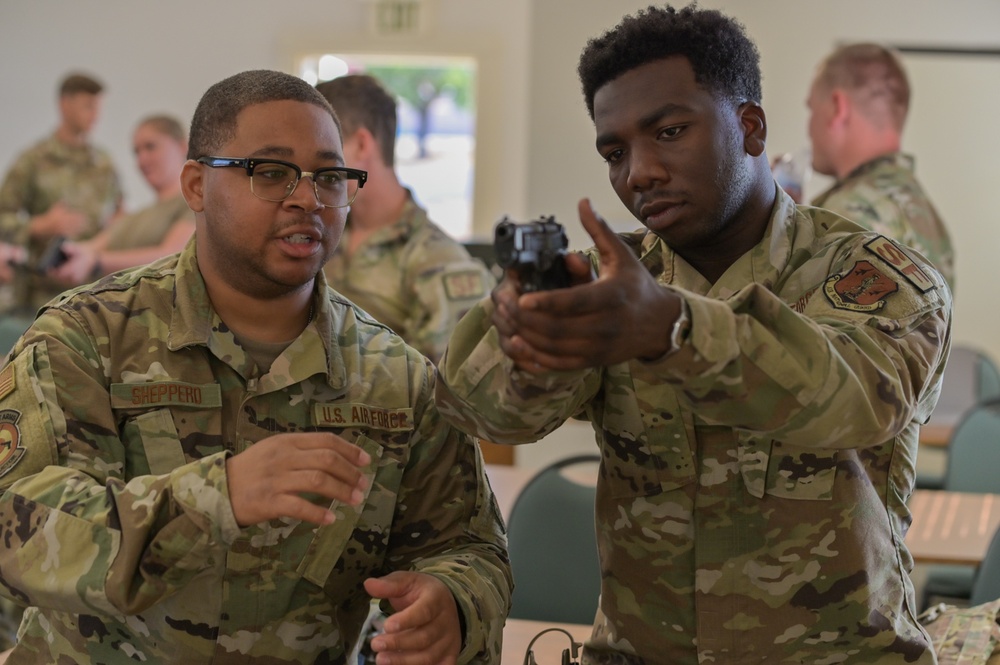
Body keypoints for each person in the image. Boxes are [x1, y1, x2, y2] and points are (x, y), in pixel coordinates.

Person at [435, 5, 951, 664]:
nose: (639, 173)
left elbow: (852, 399)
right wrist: (524, 334)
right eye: (615, 152)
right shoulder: (614, 282)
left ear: (751, 127)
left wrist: (670, 326)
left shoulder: (875, 277)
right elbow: (486, 413)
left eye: (670, 132)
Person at [0, 69, 510, 664]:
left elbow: (470, 546)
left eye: (329, 176)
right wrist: (218, 496)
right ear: (195, 184)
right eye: (270, 173)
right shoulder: (86, 337)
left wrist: (453, 604)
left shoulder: (397, 378)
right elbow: (16, 521)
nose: (307, 198)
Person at [316, 74, 493, 364]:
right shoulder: (321, 232)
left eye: (321, 151)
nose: (308, 167)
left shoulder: (440, 262)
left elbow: (441, 394)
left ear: (361, 145)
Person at [806, 42, 956, 291]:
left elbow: (806, 326)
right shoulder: (926, 216)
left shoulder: (845, 215)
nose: (809, 127)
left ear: (838, 108)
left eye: (811, 109)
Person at [0, 72, 123, 317]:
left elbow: (120, 212)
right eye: (88, 106)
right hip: (41, 296)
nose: (96, 115)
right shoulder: (33, 160)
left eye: (98, 107)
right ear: (64, 105)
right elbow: (3, 218)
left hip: (95, 291)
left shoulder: (104, 164)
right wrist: (39, 226)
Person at [50, 114, 195, 286]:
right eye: (136, 152)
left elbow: (173, 256)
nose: (141, 160)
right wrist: (67, 253)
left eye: (150, 147)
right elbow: (91, 247)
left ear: (182, 146)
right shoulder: (133, 217)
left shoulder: (194, 205)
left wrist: (96, 261)